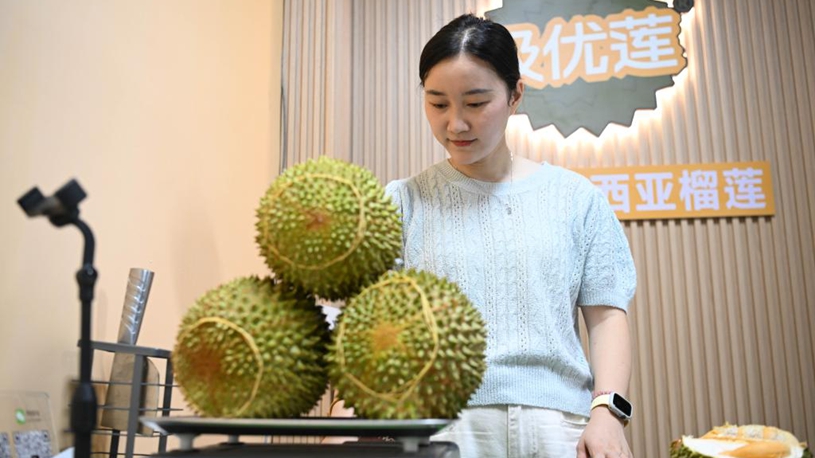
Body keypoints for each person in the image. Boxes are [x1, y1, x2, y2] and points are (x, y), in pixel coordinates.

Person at [332, 13, 637, 458]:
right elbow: (369, 329)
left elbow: (607, 317)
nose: (455, 124)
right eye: (438, 104)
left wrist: (608, 414)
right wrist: (342, 422)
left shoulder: (576, 199)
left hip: (560, 430)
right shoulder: (401, 202)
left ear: (515, 95)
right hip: (441, 428)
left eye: (475, 103)